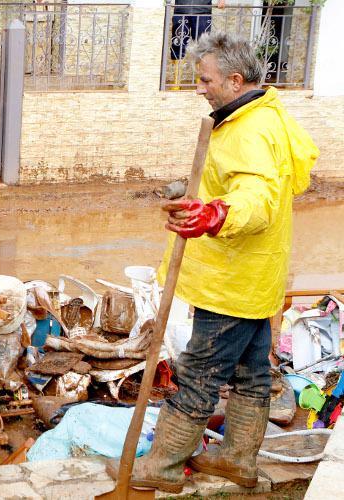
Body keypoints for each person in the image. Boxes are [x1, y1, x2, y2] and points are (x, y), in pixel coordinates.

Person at [123, 32, 318, 493]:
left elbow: (257, 198)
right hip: (257, 278)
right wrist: (200, 193)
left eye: (204, 79)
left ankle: (162, 467)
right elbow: (256, 181)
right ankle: (237, 461)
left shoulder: (250, 129)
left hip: (230, 282)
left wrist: (215, 213)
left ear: (234, 80)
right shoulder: (266, 114)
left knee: (198, 374)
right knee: (252, 374)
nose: (198, 88)